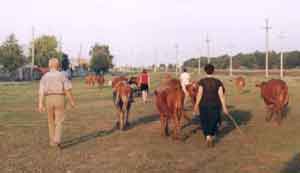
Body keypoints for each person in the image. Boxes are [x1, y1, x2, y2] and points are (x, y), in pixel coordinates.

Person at [38, 58, 75, 147]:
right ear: (58, 66)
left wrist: (40, 104)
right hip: (59, 98)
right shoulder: (62, 76)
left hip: (48, 99)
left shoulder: (44, 77)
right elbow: (67, 90)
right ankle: (57, 138)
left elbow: (41, 91)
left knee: (50, 121)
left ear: (49, 65)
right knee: (59, 120)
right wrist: (71, 101)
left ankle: (52, 141)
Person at [193, 64, 229, 147]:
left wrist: (196, 106)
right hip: (215, 105)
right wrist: (224, 107)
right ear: (213, 71)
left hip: (204, 105)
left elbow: (199, 94)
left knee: (205, 120)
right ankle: (211, 135)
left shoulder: (202, 81)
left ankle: (208, 136)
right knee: (214, 120)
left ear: (205, 71)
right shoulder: (218, 82)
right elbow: (221, 95)